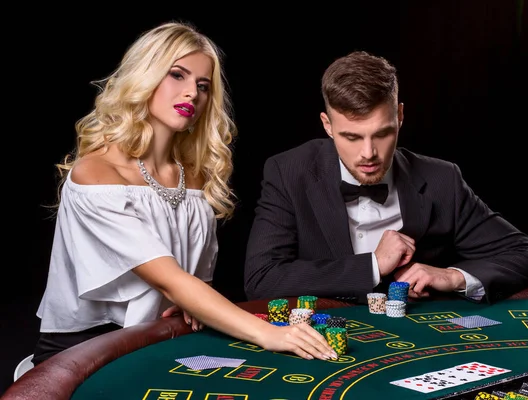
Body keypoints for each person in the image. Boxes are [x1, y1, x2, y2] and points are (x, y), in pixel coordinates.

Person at [32, 21, 338, 366]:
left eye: (203, 85)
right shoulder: (97, 174)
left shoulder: (192, 180)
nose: (192, 92)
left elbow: (190, 288)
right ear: (145, 76)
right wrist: (268, 333)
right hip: (85, 347)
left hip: (156, 338)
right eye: (177, 75)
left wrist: (191, 304)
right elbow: (173, 282)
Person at [244, 50, 528, 305]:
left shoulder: (442, 180)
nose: (368, 153)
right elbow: (261, 279)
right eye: (351, 137)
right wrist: (372, 266)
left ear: (400, 116)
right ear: (327, 125)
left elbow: (525, 256)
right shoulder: (289, 173)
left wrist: (452, 276)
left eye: (383, 133)